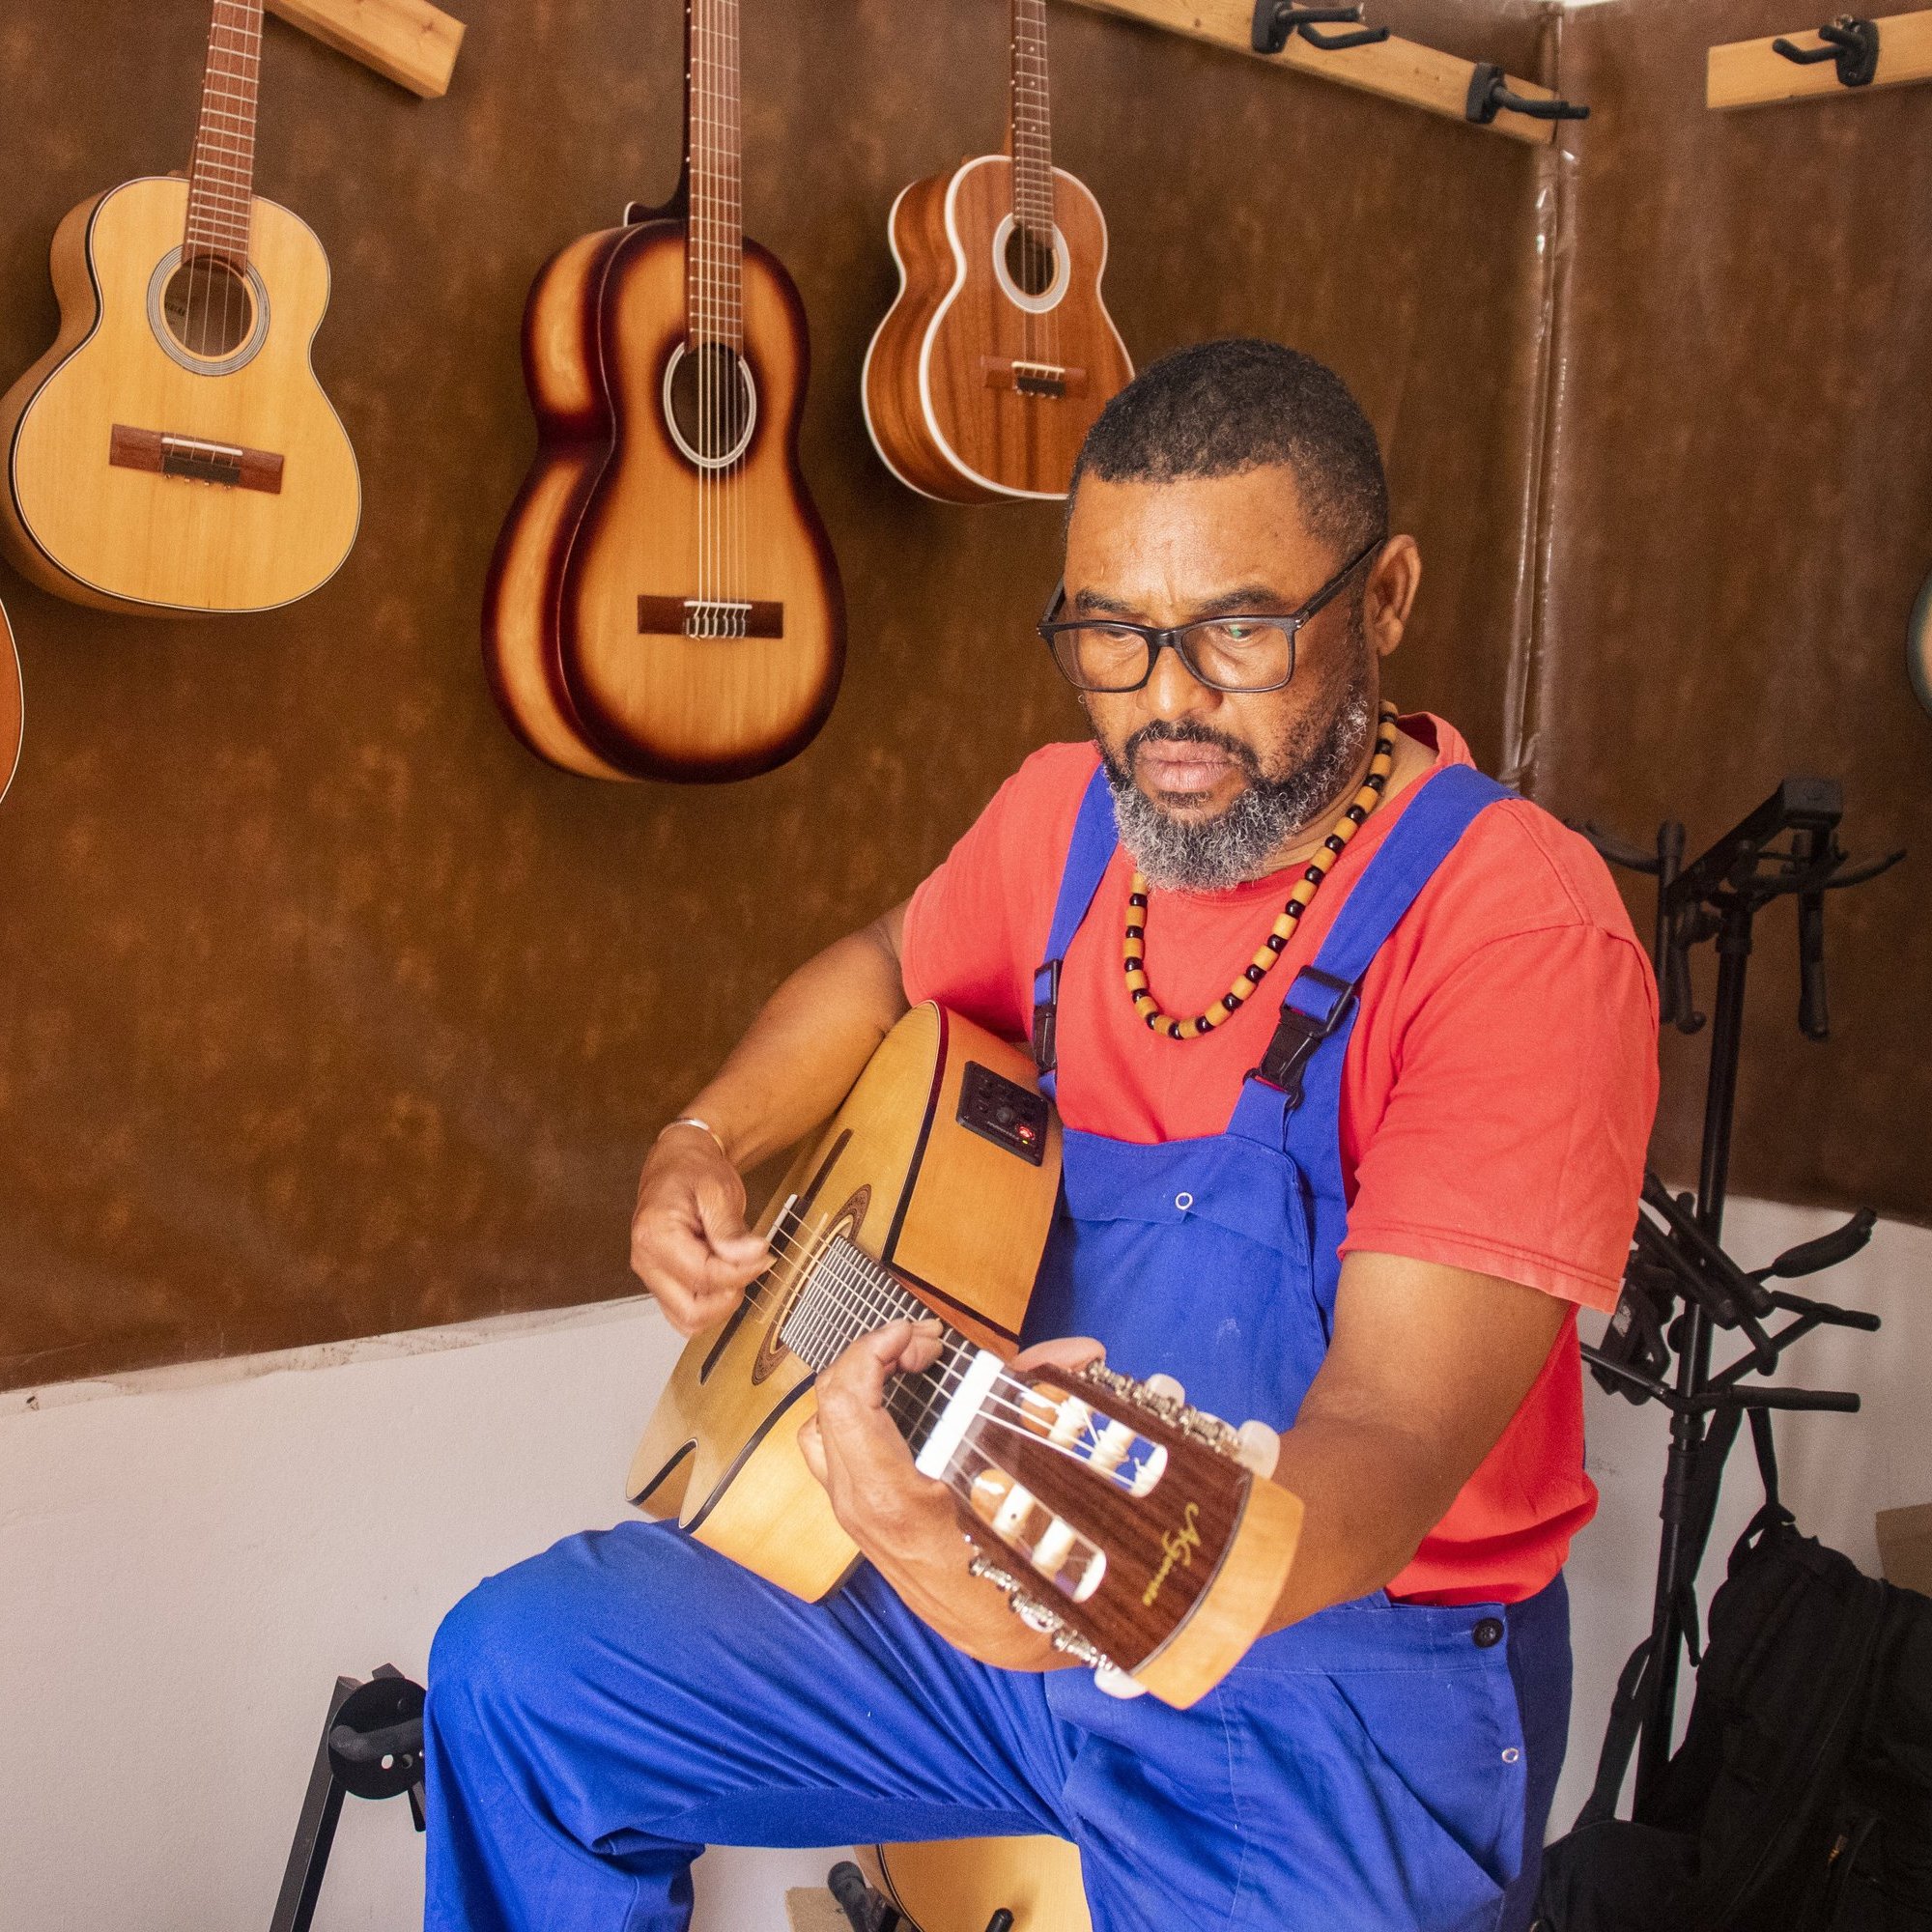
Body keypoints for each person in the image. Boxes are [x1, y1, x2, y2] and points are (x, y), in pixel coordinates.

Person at [423, 339, 1658, 1932]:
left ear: (1390, 594)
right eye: (1109, 637)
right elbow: (878, 971)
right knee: (526, 1682)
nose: (1166, 706)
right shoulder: (1065, 820)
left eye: (1241, 633)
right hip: (982, 1593)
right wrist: (702, 1136)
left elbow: (1392, 1449)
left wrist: (994, 1582)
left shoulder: (1514, 929)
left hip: (1322, 1690)